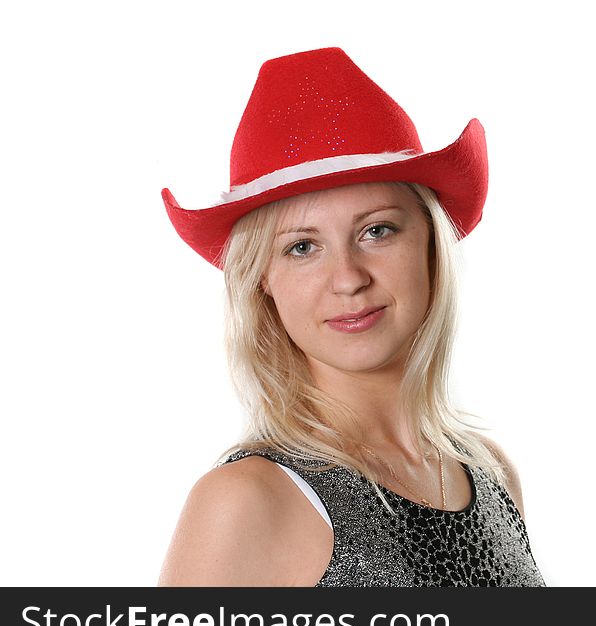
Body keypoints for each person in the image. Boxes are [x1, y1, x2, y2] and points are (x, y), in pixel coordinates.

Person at [157, 46, 545, 587]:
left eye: (377, 230)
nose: (348, 278)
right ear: (261, 279)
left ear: (432, 244)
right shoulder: (249, 501)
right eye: (301, 247)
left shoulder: (490, 473)